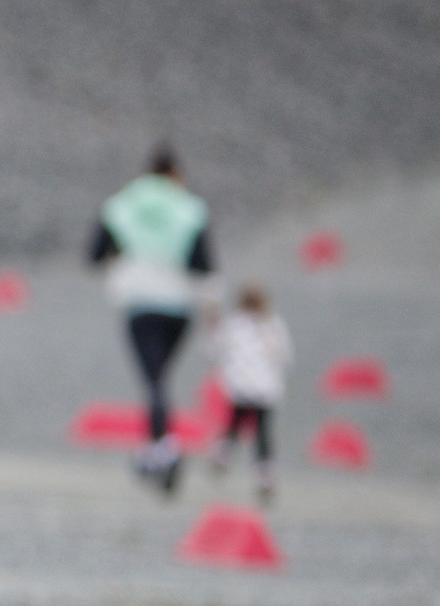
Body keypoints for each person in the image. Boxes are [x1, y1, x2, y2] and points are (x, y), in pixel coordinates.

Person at [89, 145, 215, 493]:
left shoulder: (124, 204)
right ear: (176, 173)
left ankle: (163, 450)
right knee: (160, 378)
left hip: (140, 302)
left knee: (153, 380)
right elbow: (204, 265)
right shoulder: (189, 207)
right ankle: (154, 452)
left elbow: (95, 254)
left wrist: (125, 260)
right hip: (179, 306)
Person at [208, 284, 291, 504]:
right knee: (263, 431)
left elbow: (215, 348)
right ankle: (264, 474)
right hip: (265, 388)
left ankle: (222, 454)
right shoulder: (273, 325)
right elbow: (284, 356)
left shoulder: (234, 325)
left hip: (240, 386)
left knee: (235, 423)